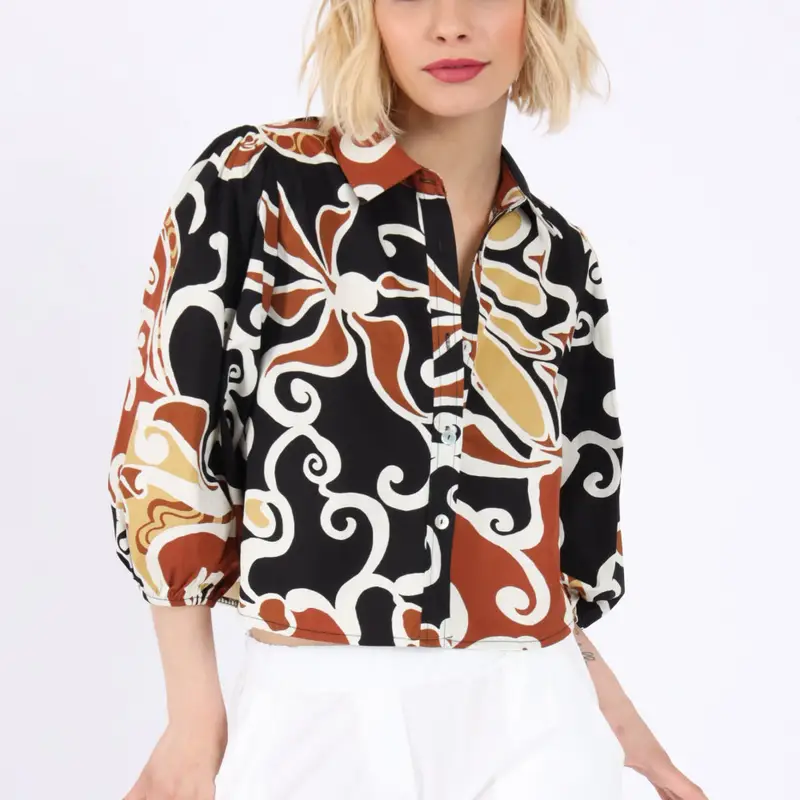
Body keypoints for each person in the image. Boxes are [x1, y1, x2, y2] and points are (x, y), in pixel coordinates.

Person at [107, 1, 708, 799]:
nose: (450, 23)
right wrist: (192, 721)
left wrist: (616, 718)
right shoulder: (257, 186)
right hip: (322, 709)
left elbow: (560, 552)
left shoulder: (559, 260)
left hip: (540, 711)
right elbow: (168, 452)